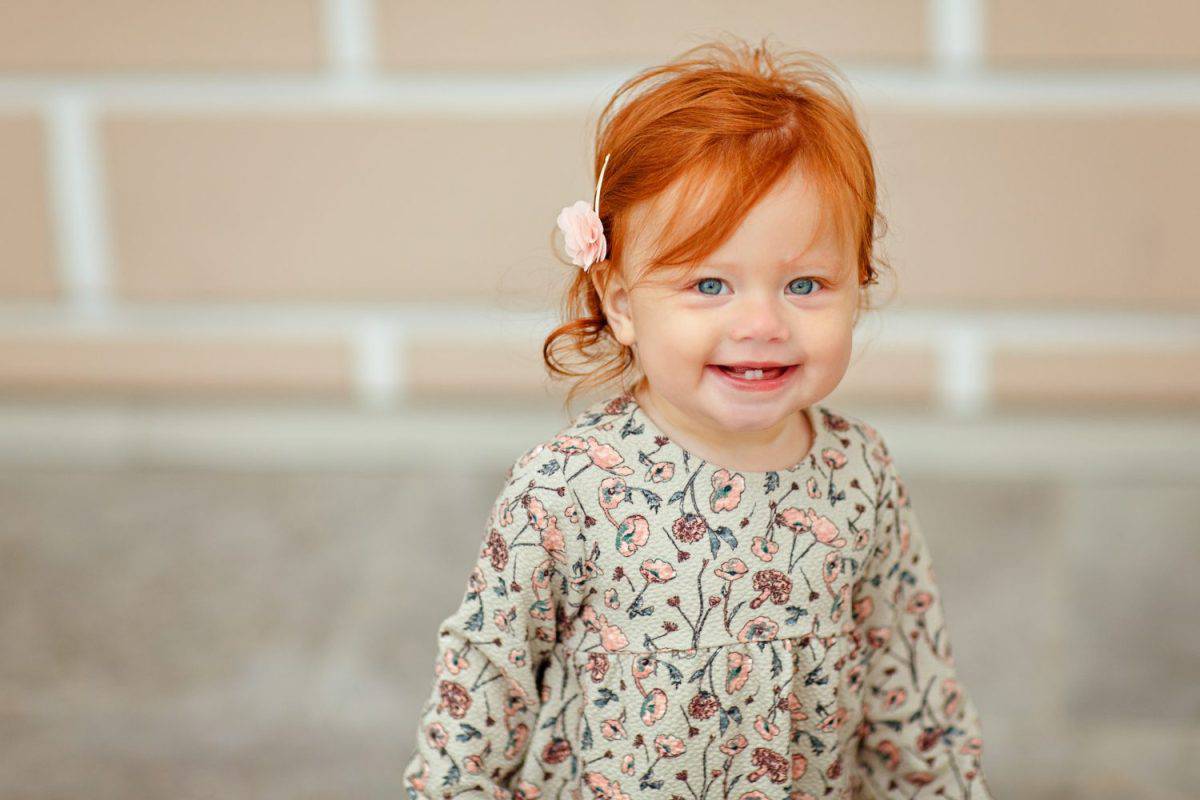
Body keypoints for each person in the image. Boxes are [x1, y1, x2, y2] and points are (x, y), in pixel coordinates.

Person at [401, 35, 994, 800]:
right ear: (620, 303)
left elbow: (909, 689)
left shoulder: (858, 475)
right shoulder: (570, 488)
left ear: (860, 287)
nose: (761, 323)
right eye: (710, 285)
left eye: (806, 284)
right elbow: (485, 685)